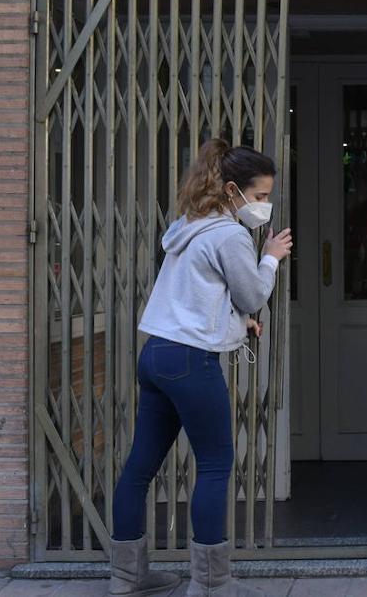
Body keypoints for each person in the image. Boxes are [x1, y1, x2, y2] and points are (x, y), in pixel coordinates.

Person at [107, 139, 293, 597]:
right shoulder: (229, 234)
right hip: (191, 361)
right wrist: (270, 257)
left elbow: (199, 296)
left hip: (156, 355)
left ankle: (126, 578)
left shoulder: (189, 226)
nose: (265, 206)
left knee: (139, 468)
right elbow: (250, 293)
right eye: (262, 196)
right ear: (233, 190)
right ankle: (211, 585)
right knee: (215, 464)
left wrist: (239, 322)